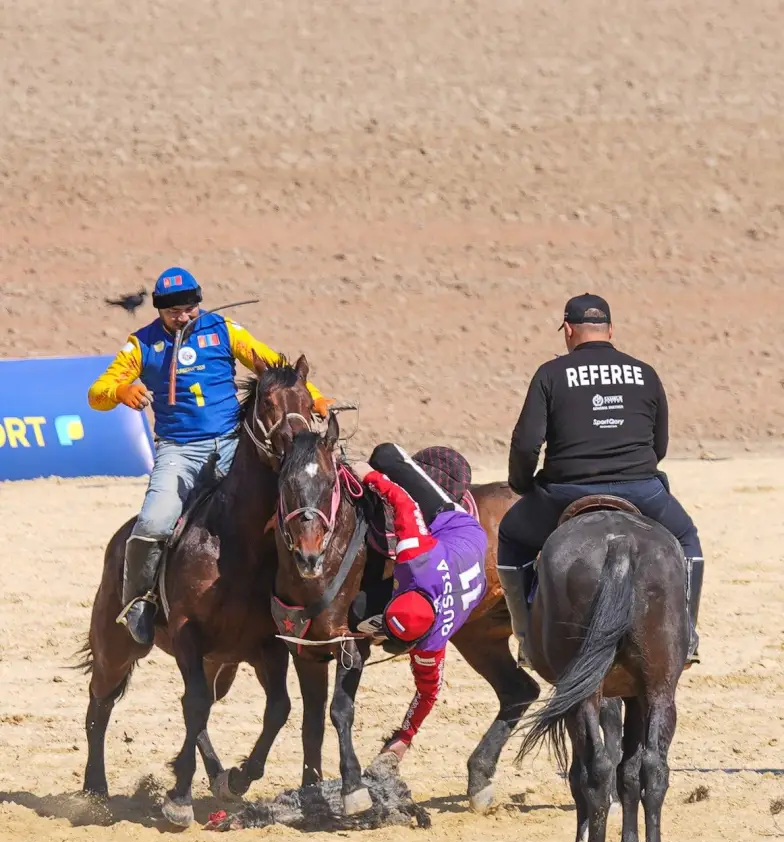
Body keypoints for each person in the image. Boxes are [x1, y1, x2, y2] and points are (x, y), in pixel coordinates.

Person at [88, 265, 333, 646]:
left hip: (234, 444)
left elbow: (277, 369)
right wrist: (120, 391)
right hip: (179, 451)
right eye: (173, 312)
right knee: (153, 522)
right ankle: (140, 602)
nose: (183, 317)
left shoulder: (224, 330)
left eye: (189, 309)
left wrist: (314, 397)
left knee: (297, 499)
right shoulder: (141, 344)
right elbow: (97, 392)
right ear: (159, 310)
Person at [497, 292, 704, 666]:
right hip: (640, 490)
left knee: (511, 536)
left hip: (565, 491)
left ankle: (526, 637)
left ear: (568, 330)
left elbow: (526, 443)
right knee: (687, 538)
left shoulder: (550, 374)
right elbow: (659, 444)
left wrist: (523, 485)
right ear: (610, 329)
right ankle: (686, 635)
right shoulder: (645, 373)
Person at [350, 444, 488, 760]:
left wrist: (405, 736)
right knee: (385, 456)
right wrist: (369, 475)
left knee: (359, 610)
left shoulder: (431, 643)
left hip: (457, 545)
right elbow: (402, 501)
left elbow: (428, 693)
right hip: (457, 537)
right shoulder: (416, 556)